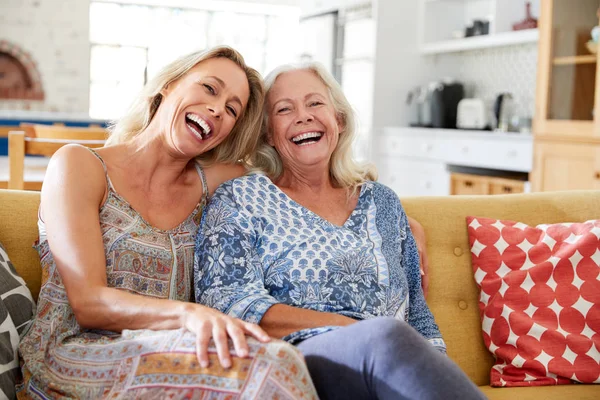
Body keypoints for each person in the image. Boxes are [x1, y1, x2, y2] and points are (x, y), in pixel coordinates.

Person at [18, 47, 318, 399]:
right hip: (71, 358)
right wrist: (189, 315)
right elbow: (89, 303)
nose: (218, 109)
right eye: (209, 88)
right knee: (270, 367)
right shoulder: (79, 165)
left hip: (171, 351)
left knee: (279, 357)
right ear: (168, 86)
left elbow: (296, 181)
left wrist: (380, 204)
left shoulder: (218, 185)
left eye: (232, 109)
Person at [194, 62, 487, 400]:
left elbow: (417, 314)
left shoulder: (383, 203)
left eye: (315, 103)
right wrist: (360, 330)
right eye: (284, 109)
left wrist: (432, 368)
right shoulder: (241, 198)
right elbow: (229, 302)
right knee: (387, 337)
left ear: (339, 120)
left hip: (387, 361)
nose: (303, 116)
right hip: (298, 362)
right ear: (268, 134)